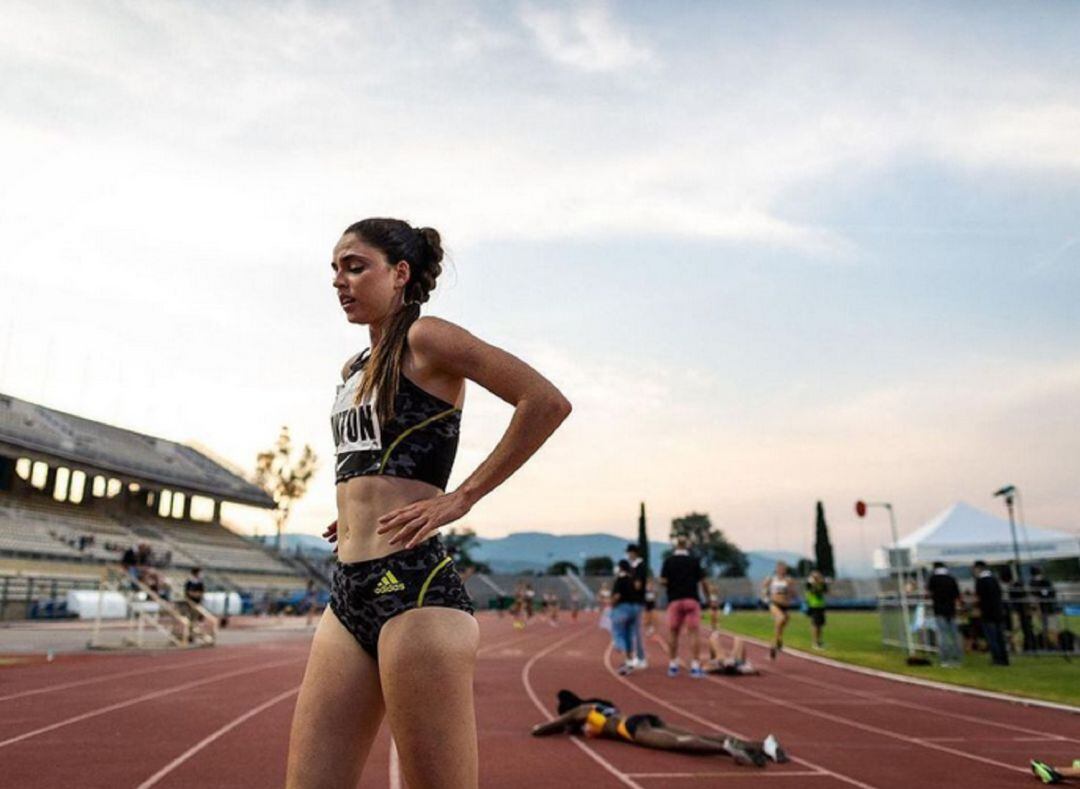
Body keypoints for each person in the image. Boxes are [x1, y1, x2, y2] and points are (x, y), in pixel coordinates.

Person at [287, 218, 572, 789]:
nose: (340, 281)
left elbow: (543, 401)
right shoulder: (353, 370)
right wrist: (351, 511)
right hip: (349, 592)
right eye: (335, 270)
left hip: (415, 591)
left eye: (355, 266)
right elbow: (379, 461)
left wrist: (462, 497)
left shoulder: (428, 337)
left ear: (400, 274)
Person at [531, 690, 787, 767]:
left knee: (681, 744)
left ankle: (727, 748)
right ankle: (763, 745)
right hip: (643, 717)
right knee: (698, 735)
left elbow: (546, 728)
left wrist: (539, 727)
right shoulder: (597, 705)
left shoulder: (579, 713)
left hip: (632, 729)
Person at [659, 536, 706, 678]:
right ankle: (695, 666)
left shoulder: (669, 561)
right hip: (691, 599)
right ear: (687, 546)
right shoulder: (694, 561)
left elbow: (662, 581)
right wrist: (709, 598)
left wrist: (672, 584)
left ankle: (673, 665)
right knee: (693, 633)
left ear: (675, 546)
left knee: (673, 633)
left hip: (675, 599)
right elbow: (703, 581)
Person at [926, 561, 963, 666]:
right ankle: (957, 658)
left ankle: (945, 659)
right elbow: (957, 595)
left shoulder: (933, 579)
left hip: (939, 610)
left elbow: (929, 592)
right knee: (955, 635)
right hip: (951, 610)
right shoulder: (951, 578)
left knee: (943, 636)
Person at [973, 560, 1009, 666]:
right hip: (998, 611)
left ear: (978, 568)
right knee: (1000, 637)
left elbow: (979, 597)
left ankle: (997, 658)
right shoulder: (994, 579)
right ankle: (1004, 658)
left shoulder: (980, 581)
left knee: (992, 637)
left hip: (987, 612)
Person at [610, 560, 639, 675]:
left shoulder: (620, 579)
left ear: (620, 568)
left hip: (622, 608)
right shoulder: (632, 580)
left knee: (618, 632)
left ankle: (620, 647)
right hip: (634, 609)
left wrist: (612, 604)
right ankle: (629, 661)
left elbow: (617, 596)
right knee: (629, 635)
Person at [762, 561, 794, 660]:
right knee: (780, 618)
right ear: (776, 569)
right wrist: (766, 599)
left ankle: (776, 643)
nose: (782, 570)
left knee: (781, 626)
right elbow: (764, 590)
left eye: (784, 569)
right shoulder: (771, 579)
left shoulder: (789, 580)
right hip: (774, 604)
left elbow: (792, 593)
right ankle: (776, 644)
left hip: (785, 605)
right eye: (780, 568)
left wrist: (789, 596)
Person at [625, 543, 648, 669]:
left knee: (636, 631)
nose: (628, 555)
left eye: (629, 553)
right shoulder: (634, 566)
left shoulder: (639, 566)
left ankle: (641, 658)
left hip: (636, 602)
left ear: (634, 553)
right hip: (632, 602)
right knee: (632, 631)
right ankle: (637, 657)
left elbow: (637, 585)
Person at [804, 569, 829, 650]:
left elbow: (826, 591)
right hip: (813, 605)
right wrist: (816, 583)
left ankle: (819, 641)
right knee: (815, 625)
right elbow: (814, 591)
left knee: (820, 625)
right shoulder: (810, 584)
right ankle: (815, 643)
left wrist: (822, 582)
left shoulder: (821, 584)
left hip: (821, 605)